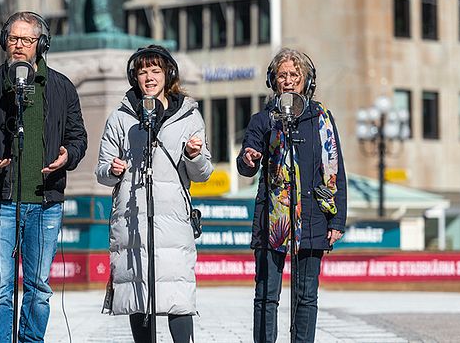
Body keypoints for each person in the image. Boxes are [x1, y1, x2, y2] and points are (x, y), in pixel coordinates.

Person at [0, 11, 87, 342]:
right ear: (4, 42)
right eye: (13, 38)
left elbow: (78, 138)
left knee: (38, 288)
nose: (19, 46)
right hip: (1, 201)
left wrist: (67, 156)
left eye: (27, 40)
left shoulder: (61, 87)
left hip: (45, 204)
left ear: (41, 45)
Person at [96, 45, 213, 343]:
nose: (149, 77)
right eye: (142, 71)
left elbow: (202, 174)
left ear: (168, 74)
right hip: (132, 218)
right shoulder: (121, 118)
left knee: (177, 293)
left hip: (172, 220)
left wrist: (194, 156)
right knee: (139, 292)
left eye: (155, 71)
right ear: (134, 77)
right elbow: (101, 172)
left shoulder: (188, 116)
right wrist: (114, 169)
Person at [237, 47, 347, 342]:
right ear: (273, 82)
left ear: (306, 81)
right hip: (272, 220)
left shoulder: (321, 119)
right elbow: (246, 163)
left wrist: (337, 220)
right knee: (265, 296)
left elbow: (337, 169)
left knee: (306, 297)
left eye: (294, 75)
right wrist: (248, 157)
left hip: (312, 217)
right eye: (282, 75)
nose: (288, 80)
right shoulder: (263, 120)